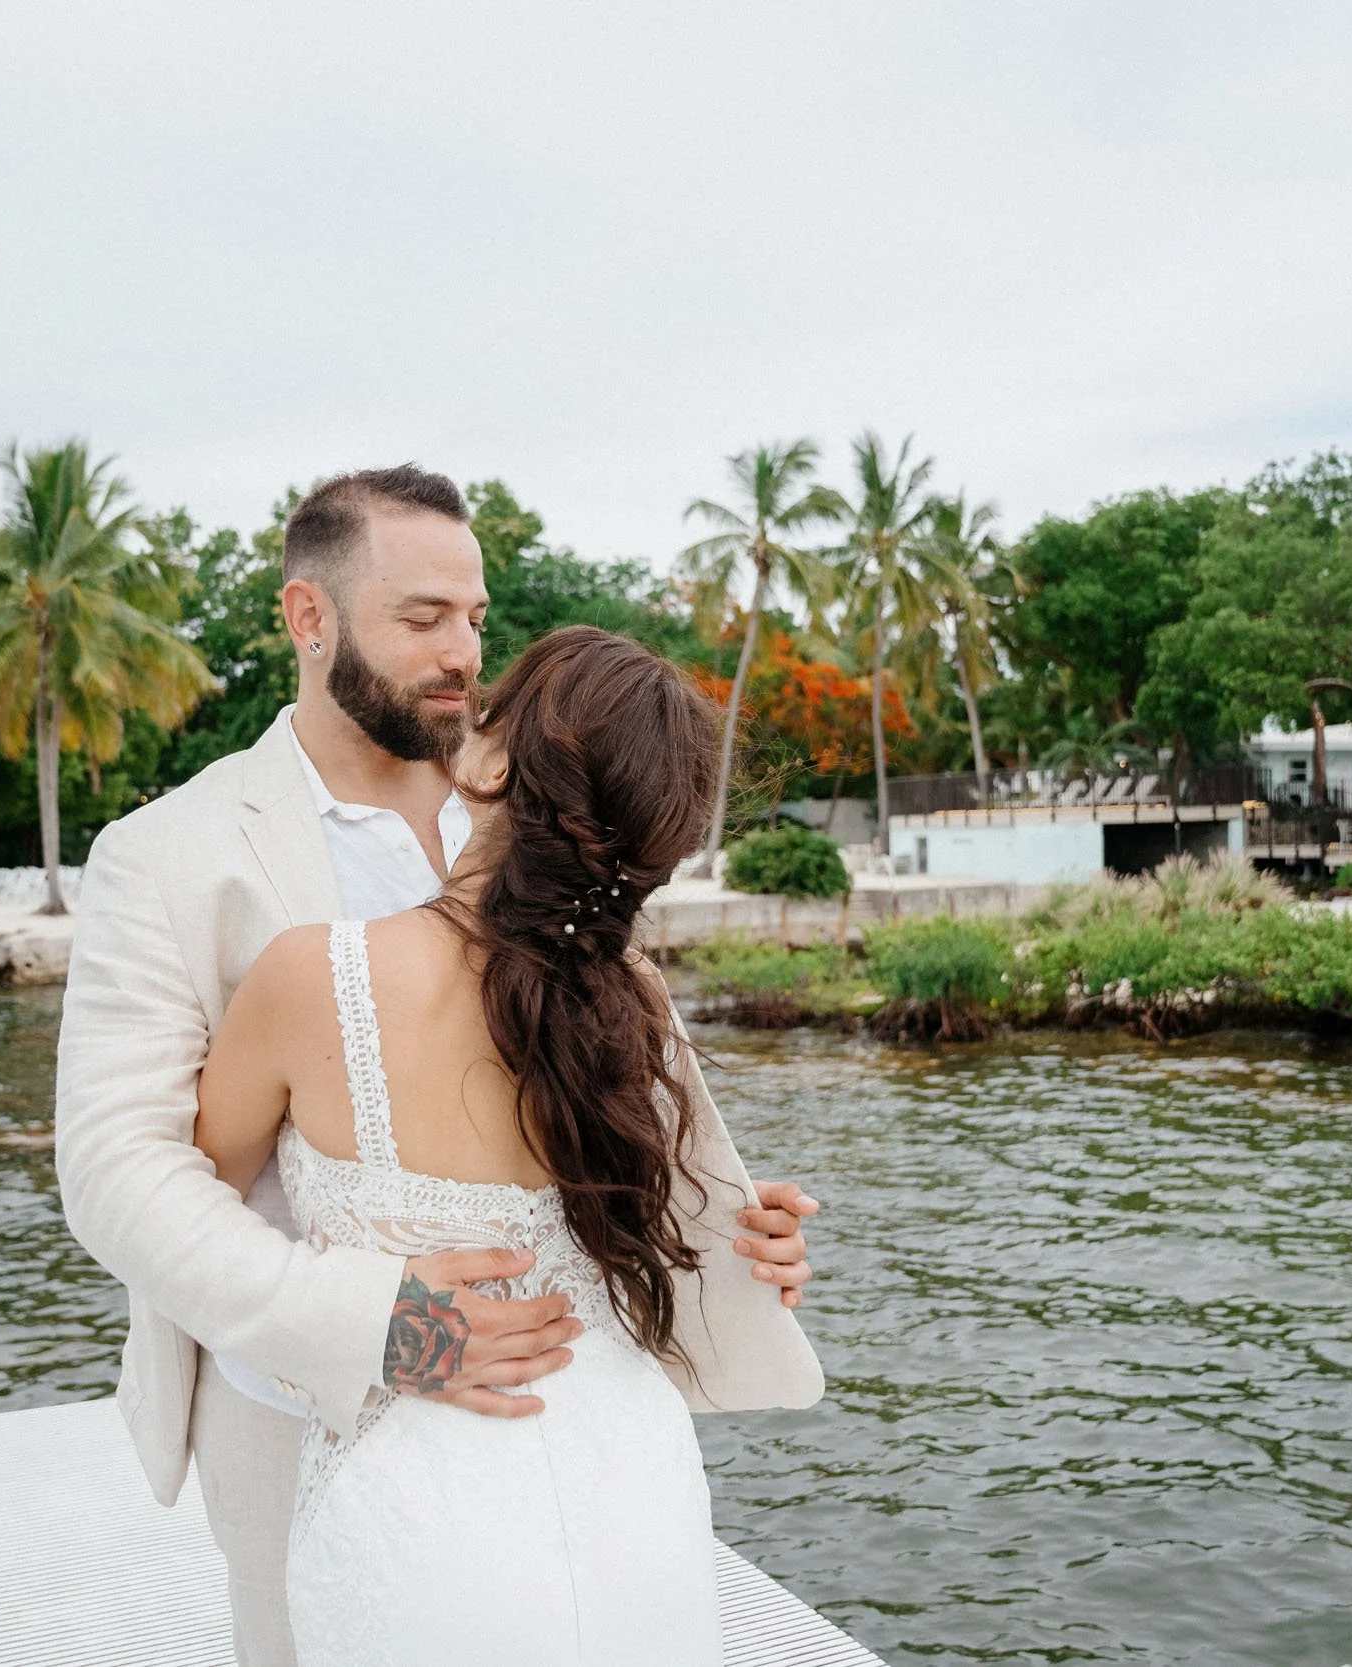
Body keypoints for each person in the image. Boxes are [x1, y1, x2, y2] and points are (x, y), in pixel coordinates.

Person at [55, 467, 822, 1665]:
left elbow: (581, 1076)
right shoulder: (163, 854)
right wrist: (382, 1323)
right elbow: (117, 1171)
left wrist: (723, 1224)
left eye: (474, 616)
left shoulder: (540, 798)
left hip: (575, 1410)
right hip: (300, 1410)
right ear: (310, 619)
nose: (463, 651)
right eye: (422, 619)